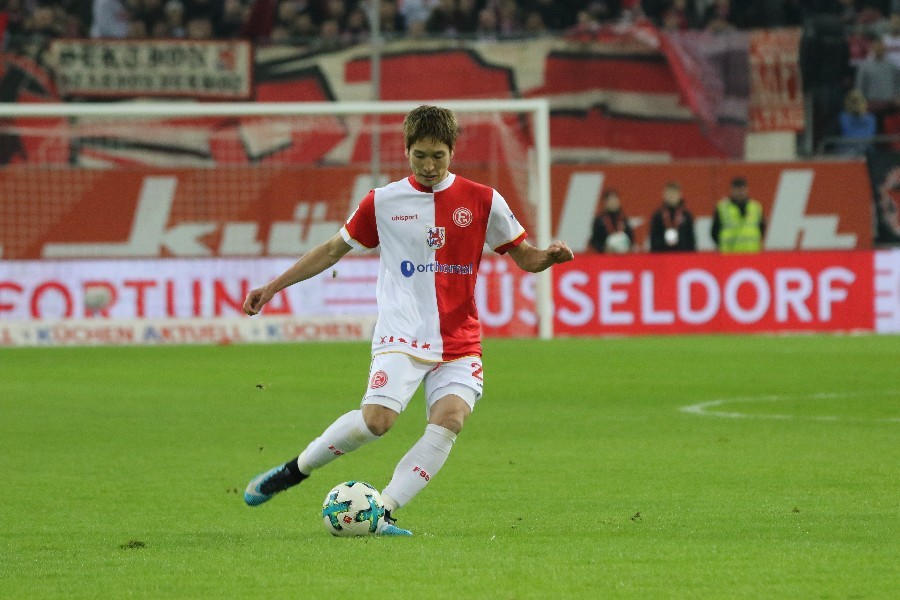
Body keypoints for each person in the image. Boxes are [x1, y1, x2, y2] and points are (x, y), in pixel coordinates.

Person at [240, 105, 574, 536]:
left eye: (438, 155)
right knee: (377, 422)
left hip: (459, 340)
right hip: (402, 334)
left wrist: (548, 257)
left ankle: (383, 512)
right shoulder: (382, 202)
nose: (429, 166)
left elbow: (525, 257)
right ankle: (294, 470)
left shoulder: (484, 200)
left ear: (452, 151)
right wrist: (273, 287)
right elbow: (331, 250)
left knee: (451, 420)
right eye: (420, 156)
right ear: (406, 151)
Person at [711, 176, 766, 253]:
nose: (740, 192)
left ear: (747, 189)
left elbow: (761, 229)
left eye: (742, 189)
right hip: (730, 253)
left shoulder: (755, 207)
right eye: (737, 189)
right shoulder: (722, 208)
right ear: (731, 190)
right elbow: (715, 232)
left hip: (752, 252)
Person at [649, 181, 696, 252]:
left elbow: (691, 239)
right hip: (662, 255)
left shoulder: (686, 215)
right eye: (669, 193)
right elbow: (654, 239)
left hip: (682, 255)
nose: (672, 196)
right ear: (664, 195)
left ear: (680, 195)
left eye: (674, 193)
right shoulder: (658, 216)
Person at [589, 189, 634, 253]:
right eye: (610, 200)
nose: (613, 202)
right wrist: (604, 249)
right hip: (605, 255)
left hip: (622, 255)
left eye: (615, 200)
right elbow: (594, 241)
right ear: (605, 203)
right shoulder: (599, 221)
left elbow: (631, 238)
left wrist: (627, 247)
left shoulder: (623, 219)